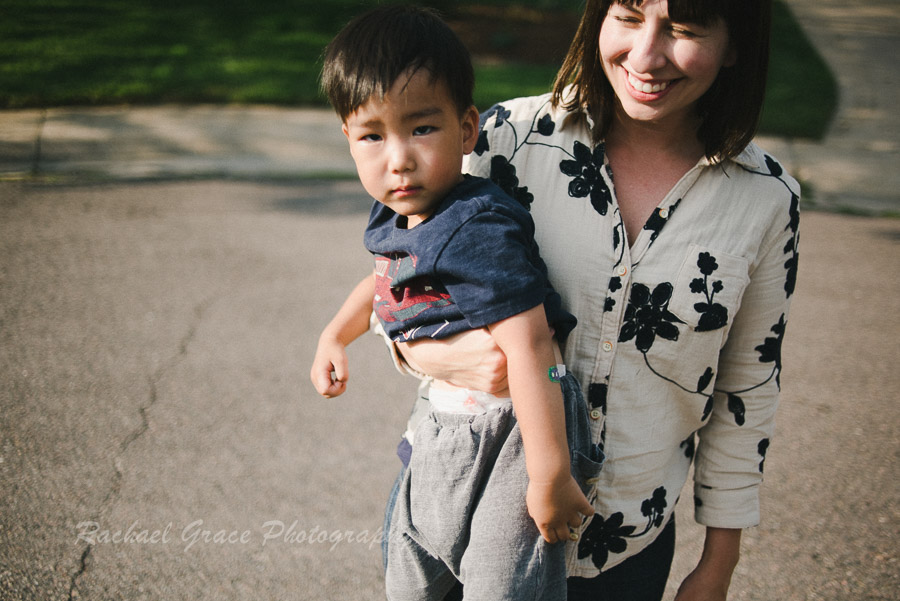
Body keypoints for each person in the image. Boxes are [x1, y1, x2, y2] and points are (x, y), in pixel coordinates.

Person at [391, 1, 801, 600]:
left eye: (683, 29)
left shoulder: (768, 199)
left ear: (735, 44)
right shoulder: (507, 139)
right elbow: (399, 286)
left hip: (625, 553)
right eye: (629, 16)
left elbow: (747, 387)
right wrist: (442, 358)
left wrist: (718, 565)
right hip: (459, 522)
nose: (647, 55)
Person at [309, 6, 602, 600]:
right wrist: (335, 336)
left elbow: (532, 343)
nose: (399, 159)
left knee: (502, 587)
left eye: (422, 129)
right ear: (348, 137)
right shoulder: (401, 212)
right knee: (410, 570)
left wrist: (550, 471)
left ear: (467, 128)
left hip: (520, 429)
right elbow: (385, 279)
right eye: (373, 135)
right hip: (445, 424)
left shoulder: (478, 226)